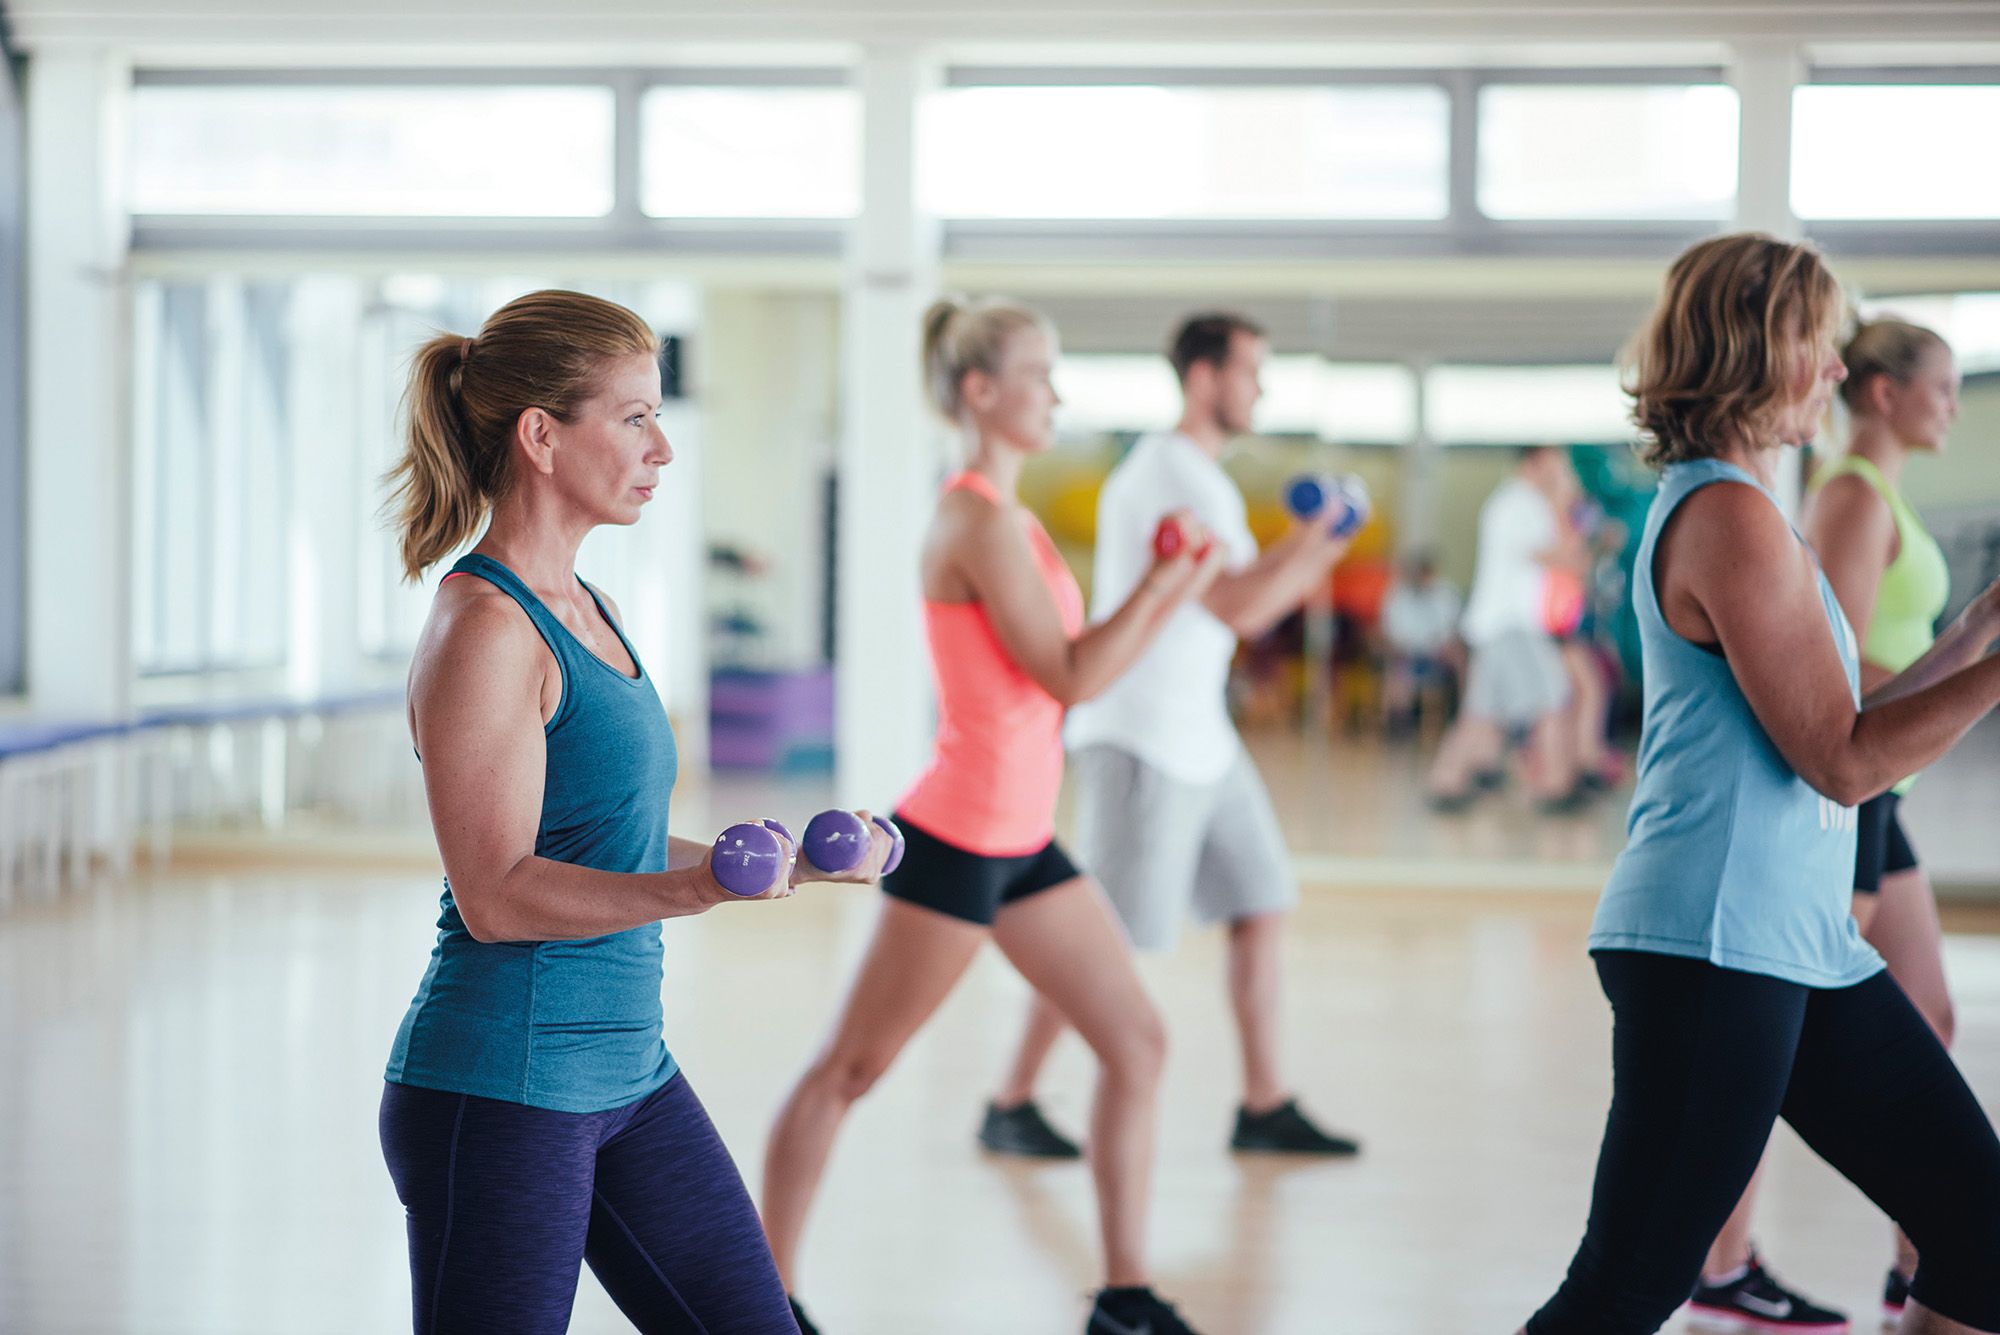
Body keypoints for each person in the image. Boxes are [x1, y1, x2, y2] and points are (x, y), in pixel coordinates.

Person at [376, 290, 890, 1335]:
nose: (660, 449)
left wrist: (781, 862)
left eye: (658, 417)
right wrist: (697, 887)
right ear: (541, 437)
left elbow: (601, 833)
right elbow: (496, 894)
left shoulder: (589, 608)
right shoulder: (487, 627)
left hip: (627, 1072)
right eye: (633, 418)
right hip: (504, 1087)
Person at [1519, 233, 2000, 1335]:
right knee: (1623, 1288)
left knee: (1977, 1228)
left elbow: (1849, 720)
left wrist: (1977, 628)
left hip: (1792, 947)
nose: (1835, 372)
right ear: (1753, 349)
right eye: (1817, 347)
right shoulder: (1725, 516)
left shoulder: (1748, 509)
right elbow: (1838, 762)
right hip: (1710, 945)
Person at [759, 297, 1224, 1335]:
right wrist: (1166, 581)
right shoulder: (971, 517)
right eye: (1037, 373)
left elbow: (1067, 673)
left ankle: (1124, 1297)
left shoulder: (1009, 520)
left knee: (1135, 1042)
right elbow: (1069, 677)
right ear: (980, 392)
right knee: (847, 1072)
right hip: (958, 838)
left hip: (1020, 840)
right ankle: (757, 1301)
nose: (1054, 393)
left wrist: (1170, 584)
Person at [977, 311, 1362, 1163]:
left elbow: (1247, 600)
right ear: (1202, 376)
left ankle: (1264, 1103)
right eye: (1248, 372)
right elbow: (1238, 604)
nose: (1259, 389)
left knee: (1263, 902)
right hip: (1143, 739)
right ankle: (1011, 1099)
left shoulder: (1207, 478)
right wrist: (1316, 537)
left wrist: (1323, 542)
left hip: (1205, 738)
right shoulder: (1167, 474)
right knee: (1104, 938)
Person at [1693, 318, 1970, 1334]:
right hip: (1845, 789)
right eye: (1937, 386)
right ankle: (1722, 1262)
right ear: (1884, 394)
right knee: (1776, 1048)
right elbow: (1835, 672)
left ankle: (1921, 1257)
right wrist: (1969, 677)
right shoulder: (1851, 494)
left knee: (1929, 1013)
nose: (1951, 403)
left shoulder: (1878, 492)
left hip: (1879, 795)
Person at [1427, 446, 1590, 812]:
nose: (1561, 469)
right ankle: (1554, 787)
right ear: (1535, 462)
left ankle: (1446, 782)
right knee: (1554, 698)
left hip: (1498, 624)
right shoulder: (1523, 504)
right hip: (1513, 624)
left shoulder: (1510, 502)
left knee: (1483, 712)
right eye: (1556, 462)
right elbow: (1561, 557)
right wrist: (1566, 499)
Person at [1381, 550, 1463, 739]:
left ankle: (1462, 714)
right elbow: (1392, 630)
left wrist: (1439, 646)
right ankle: (1399, 731)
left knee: (1458, 656)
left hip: (1437, 655)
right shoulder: (1399, 595)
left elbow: (1449, 630)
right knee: (1397, 675)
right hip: (1406, 654)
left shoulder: (1445, 594)